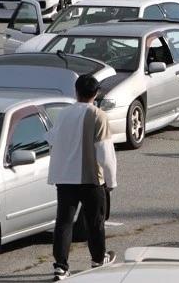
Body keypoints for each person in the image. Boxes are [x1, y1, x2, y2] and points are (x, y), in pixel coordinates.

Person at [46, 74, 118, 280]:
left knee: (64, 222)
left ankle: (61, 266)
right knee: (95, 221)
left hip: (65, 178)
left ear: (75, 92)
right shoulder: (98, 115)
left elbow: (52, 138)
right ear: (96, 94)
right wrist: (111, 181)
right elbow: (105, 153)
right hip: (90, 178)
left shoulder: (64, 114)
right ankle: (98, 259)